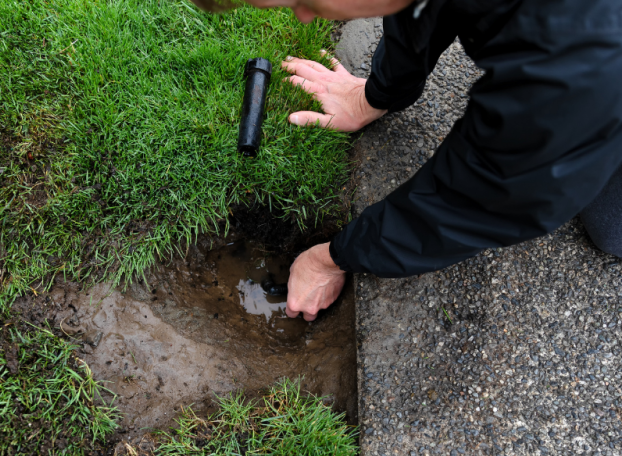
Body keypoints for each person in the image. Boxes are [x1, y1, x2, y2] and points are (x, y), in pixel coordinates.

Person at [193, 0, 622, 321]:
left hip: (599, 72)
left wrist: (333, 257)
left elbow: (495, 192)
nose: (303, 16)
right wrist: (378, 93)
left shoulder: (574, 61)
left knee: (611, 229)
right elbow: (421, 4)